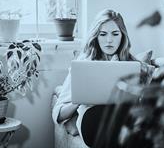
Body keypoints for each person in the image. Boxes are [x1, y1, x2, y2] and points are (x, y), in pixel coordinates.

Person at [52, 9, 136, 146]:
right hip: (93, 119)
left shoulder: (131, 63)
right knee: (102, 114)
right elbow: (58, 114)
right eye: (103, 34)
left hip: (123, 119)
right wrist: (80, 99)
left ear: (122, 36)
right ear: (96, 36)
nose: (109, 40)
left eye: (115, 34)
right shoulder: (83, 63)